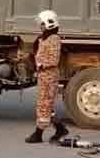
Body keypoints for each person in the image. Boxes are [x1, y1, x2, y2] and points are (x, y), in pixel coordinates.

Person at [26, 9, 69, 144]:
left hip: (49, 76)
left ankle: (38, 133)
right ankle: (60, 128)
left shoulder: (54, 39)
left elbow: (53, 60)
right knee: (46, 104)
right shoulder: (44, 38)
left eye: (42, 24)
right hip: (43, 75)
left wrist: (40, 64)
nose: (41, 26)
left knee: (44, 104)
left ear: (49, 23)